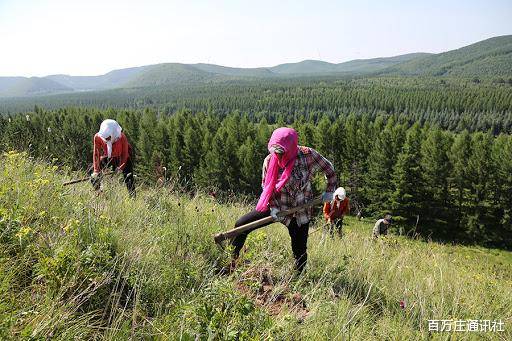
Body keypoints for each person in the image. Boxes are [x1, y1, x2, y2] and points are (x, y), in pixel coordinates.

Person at [230, 127, 337, 273]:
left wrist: (330, 191)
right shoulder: (269, 160)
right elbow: (266, 186)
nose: (278, 157)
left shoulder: (307, 155)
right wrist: (273, 207)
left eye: (281, 153)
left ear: (292, 147)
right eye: (275, 152)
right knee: (241, 225)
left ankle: (298, 278)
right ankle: (230, 263)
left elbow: (329, 170)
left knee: (299, 250)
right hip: (277, 206)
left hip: (300, 210)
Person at [91, 119, 135, 197]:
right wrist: (96, 170)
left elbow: (124, 154)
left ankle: (132, 197)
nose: (106, 139)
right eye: (105, 137)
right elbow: (96, 154)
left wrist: (120, 168)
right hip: (109, 156)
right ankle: (99, 193)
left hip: (122, 158)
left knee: (129, 177)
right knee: (93, 172)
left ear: (113, 133)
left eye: (108, 137)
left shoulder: (122, 137)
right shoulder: (98, 137)